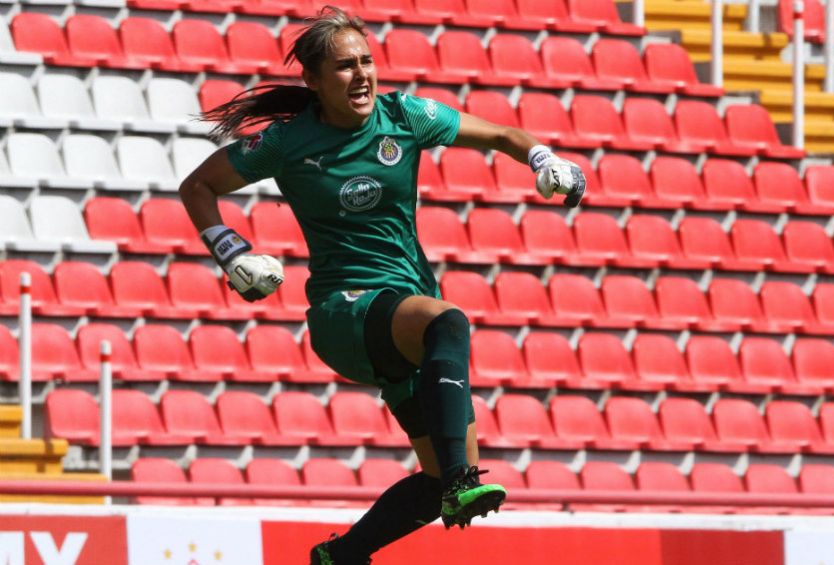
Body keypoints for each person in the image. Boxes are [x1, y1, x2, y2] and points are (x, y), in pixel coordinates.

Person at [179, 6, 586, 564]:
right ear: (314, 82)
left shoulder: (406, 116)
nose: (363, 74)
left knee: (436, 473)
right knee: (448, 322)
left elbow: (502, 134)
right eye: (345, 66)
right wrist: (232, 253)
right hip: (343, 312)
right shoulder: (286, 142)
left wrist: (546, 159)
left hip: (397, 311)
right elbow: (197, 185)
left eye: (367, 61)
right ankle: (462, 480)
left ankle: (344, 555)